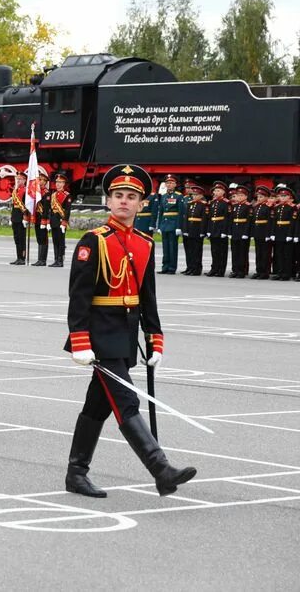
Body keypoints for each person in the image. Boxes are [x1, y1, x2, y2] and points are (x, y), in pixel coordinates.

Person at [64, 164, 197, 499]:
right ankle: (160, 468)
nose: (124, 201)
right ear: (108, 201)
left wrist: (155, 339)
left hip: (125, 336)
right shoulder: (93, 241)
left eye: (131, 197)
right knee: (126, 401)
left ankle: (76, 473)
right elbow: (78, 296)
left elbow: (147, 295)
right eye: (118, 196)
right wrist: (80, 341)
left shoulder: (143, 242)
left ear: (141, 204)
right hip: (99, 336)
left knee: (98, 406)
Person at [156, 175, 186, 274]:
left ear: (175, 184)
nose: (169, 184)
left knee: (172, 247)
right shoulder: (164, 196)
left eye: (171, 183)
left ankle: (172, 268)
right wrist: (159, 226)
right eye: (167, 183)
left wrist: (178, 227)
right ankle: (165, 267)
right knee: (165, 247)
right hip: (165, 224)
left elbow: (181, 212)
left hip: (173, 224)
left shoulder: (179, 196)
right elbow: (161, 212)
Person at [181, 183, 208, 276]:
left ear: (201, 195)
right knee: (190, 250)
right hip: (190, 229)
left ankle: (196, 269)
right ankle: (190, 267)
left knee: (197, 251)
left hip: (197, 230)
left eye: (196, 195)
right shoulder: (190, 204)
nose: (194, 196)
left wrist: (202, 232)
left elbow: (204, 219)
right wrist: (185, 230)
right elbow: (186, 218)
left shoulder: (203, 205)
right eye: (193, 195)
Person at [205, 181, 230, 277]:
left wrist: (224, 231)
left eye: (218, 190)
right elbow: (209, 218)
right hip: (213, 228)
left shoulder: (226, 203)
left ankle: (221, 270)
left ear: (223, 192)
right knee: (214, 250)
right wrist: (208, 230)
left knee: (222, 251)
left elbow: (227, 218)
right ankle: (214, 268)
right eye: (215, 191)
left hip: (221, 228)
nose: (216, 192)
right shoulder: (212, 203)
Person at [228, 184, 253, 278]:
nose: (239, 197)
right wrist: (230, 232)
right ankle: (235, 270)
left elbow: (249, 221)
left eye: (241, 195)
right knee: (235, 252)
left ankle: (242, 271)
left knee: (242, 252)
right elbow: (231, 220)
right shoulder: (235, 206)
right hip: (235, 231)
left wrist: (246, 233)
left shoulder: (248, 206)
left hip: (243, 231)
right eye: (237, 195)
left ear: (246, 196)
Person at [272, 184, 295, 281]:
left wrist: (290, 234)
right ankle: (280, 272)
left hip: (286, 233)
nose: (282, 198)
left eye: (285, 196)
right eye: (281, 196)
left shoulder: (292, 207)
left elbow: (292, 223)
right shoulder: (277, 207)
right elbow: (274, 221)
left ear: (289, 197)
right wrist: (273, 233)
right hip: (278, 232)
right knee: (279, 253)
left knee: (287, 254)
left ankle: (287, 273)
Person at [49, 172, 72, 267]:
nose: (58, 184)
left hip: (61, 221)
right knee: (55, 241)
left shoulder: (67, 196)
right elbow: (51, 210)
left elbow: (67, 211)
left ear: (64, 184)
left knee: (61, 241)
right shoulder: (53, 195)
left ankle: (60, 260)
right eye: (57, 182)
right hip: (54, 221)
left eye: (60, 182)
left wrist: (64, 222)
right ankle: (55, 259)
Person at [250, 185, 273, 279]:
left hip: (264, 232)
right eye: (258, 197)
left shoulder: (268, 207)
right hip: (257, 232)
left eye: (261, 197)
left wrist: (268, 234)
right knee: (258, 252)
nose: (259, 198)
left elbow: (270, 222)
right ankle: (259, 270)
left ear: (267, 197)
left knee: (265, 253)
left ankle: (265, 272)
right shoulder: (256, 207)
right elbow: (253, 221)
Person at [31, 169, 50, 266]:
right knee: (39, 238)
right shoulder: (37, 193)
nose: (41, 182)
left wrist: (45, 221)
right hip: (37, 218)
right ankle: (39, 259)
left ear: (46, 182)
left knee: (44, 239)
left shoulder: (47, 193)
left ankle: (43, 260)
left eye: (43, 180)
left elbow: (47, 209)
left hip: (43, 219)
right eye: (40, 180)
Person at [10, 172, 29, 265]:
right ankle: (18, 257)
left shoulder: (26, 191)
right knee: (16, 238)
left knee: (22, 239)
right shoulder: (15, 191)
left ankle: (22, 258)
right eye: (18, 179)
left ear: (25, 180)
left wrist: (25, 217)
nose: (19, 181)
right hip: (15, 217)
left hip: (21, 217)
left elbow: (26, 205)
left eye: (21, 179)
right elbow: (14, 206)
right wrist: (11, 217)